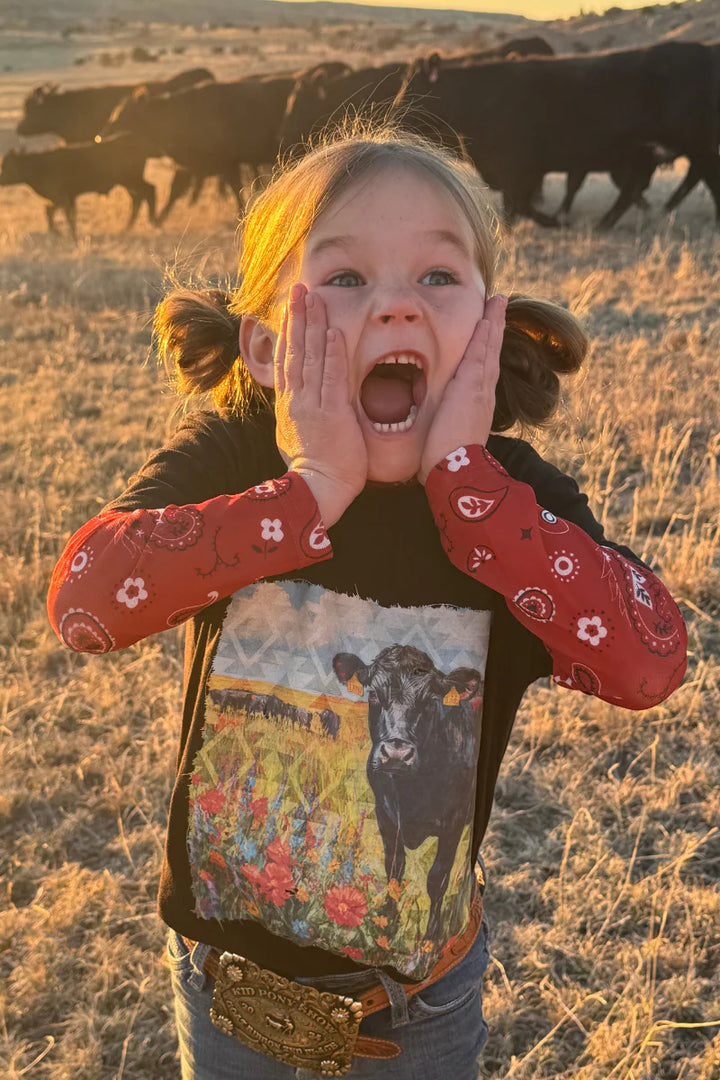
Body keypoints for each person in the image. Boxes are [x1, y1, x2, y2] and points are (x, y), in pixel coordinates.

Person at [47, 126, 687, 1080]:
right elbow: (86, 604)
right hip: (229, 997)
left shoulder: (512, 500)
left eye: (438, 275)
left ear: (488, 328)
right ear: (267, 345)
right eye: (345, 278)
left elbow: (649, 662)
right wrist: (309, 491)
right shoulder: (237, 458)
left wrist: (469, 491)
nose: (395, 304)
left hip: (417, 1006)